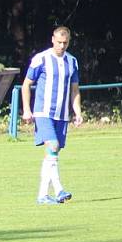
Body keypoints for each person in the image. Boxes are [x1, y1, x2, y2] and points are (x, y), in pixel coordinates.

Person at [21, 26, 82, 205]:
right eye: (59, 42)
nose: (62, 46)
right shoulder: (41, 59)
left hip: (62, 115)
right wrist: (26, 109)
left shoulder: (72, 61)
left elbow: (75, 90)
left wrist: (77, 112)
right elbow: (26, 84)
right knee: (53, 146)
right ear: (52, 40)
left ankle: (42, 195)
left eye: (65, 43)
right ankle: (59, 189)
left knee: (52, 154)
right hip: (43, 112)